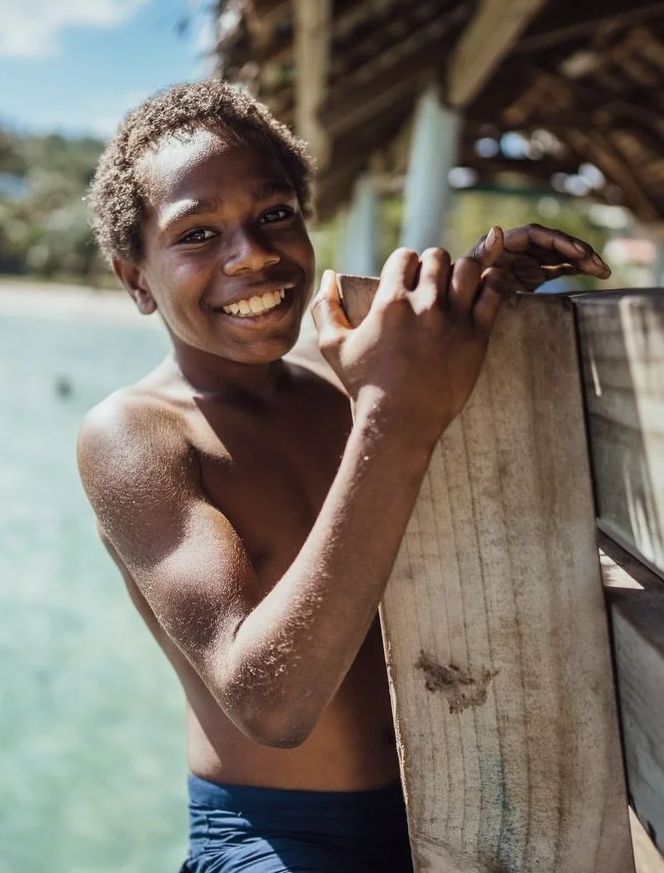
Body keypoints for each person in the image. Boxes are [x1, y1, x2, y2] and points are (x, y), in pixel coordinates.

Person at [78, 80, 610, 873]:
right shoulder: (137, 433)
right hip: (281, 838)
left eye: (274, 215)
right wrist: (394, 410)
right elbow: (271, 702)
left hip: (450, 796)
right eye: (197, 234)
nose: (251, 254)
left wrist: (481, 312)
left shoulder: (341, 396)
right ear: (136, 279)